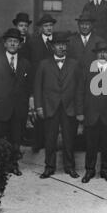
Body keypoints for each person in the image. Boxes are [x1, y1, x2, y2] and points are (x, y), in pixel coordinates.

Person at [33, 33, 83, 179]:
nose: (61, 47)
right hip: (50, 107)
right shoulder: (44, 64)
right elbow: (37, 87)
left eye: (64, 44)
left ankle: (70, 167)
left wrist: (79, 109)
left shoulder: (74, 64)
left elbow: (80, 88)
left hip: (69, 107)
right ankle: (49, 167)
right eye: (58, 44)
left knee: (69, 139)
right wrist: (39, 107)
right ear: (52, 47)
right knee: (50, 139)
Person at [0, 28, 32, 176]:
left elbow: (29, 86)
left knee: (16, 139)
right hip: (1, 108)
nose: (13, 44)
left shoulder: (25, 64)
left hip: (19, 109)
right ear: (5, 44)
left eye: (16, 41)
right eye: (10, 41)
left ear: (20, 45)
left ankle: (13, 165)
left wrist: (24, 103)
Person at [77, 41, 107, 183]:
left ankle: (105, 170)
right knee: (91, 144)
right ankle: (89, 171)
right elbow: (79, 92)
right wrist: (80, 111)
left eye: (105, 52)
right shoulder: (87, 70)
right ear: (96, 54)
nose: (103, 54)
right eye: (100, 52)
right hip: (91, 114)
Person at [28, 14, 56, 153]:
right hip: (38, 83)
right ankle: (38, 142)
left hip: (54, 84)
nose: (48, 28)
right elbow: (29, 64)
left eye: (50, 25)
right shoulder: (33, 43)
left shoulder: (57, 41)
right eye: (46, 26)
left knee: (53, 114)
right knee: (39, 114)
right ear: (40, 28)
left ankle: (50, 143)